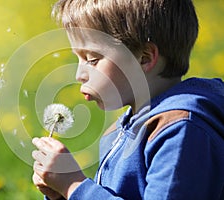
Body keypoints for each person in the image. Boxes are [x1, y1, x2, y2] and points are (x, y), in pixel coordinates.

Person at [32, 0, 224, 199]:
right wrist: (62, 193)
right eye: (78, 59)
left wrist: (74, 185)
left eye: (92, 59)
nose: (79, 74)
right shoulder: (121, 130)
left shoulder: (180, 131)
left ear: (144, 58)